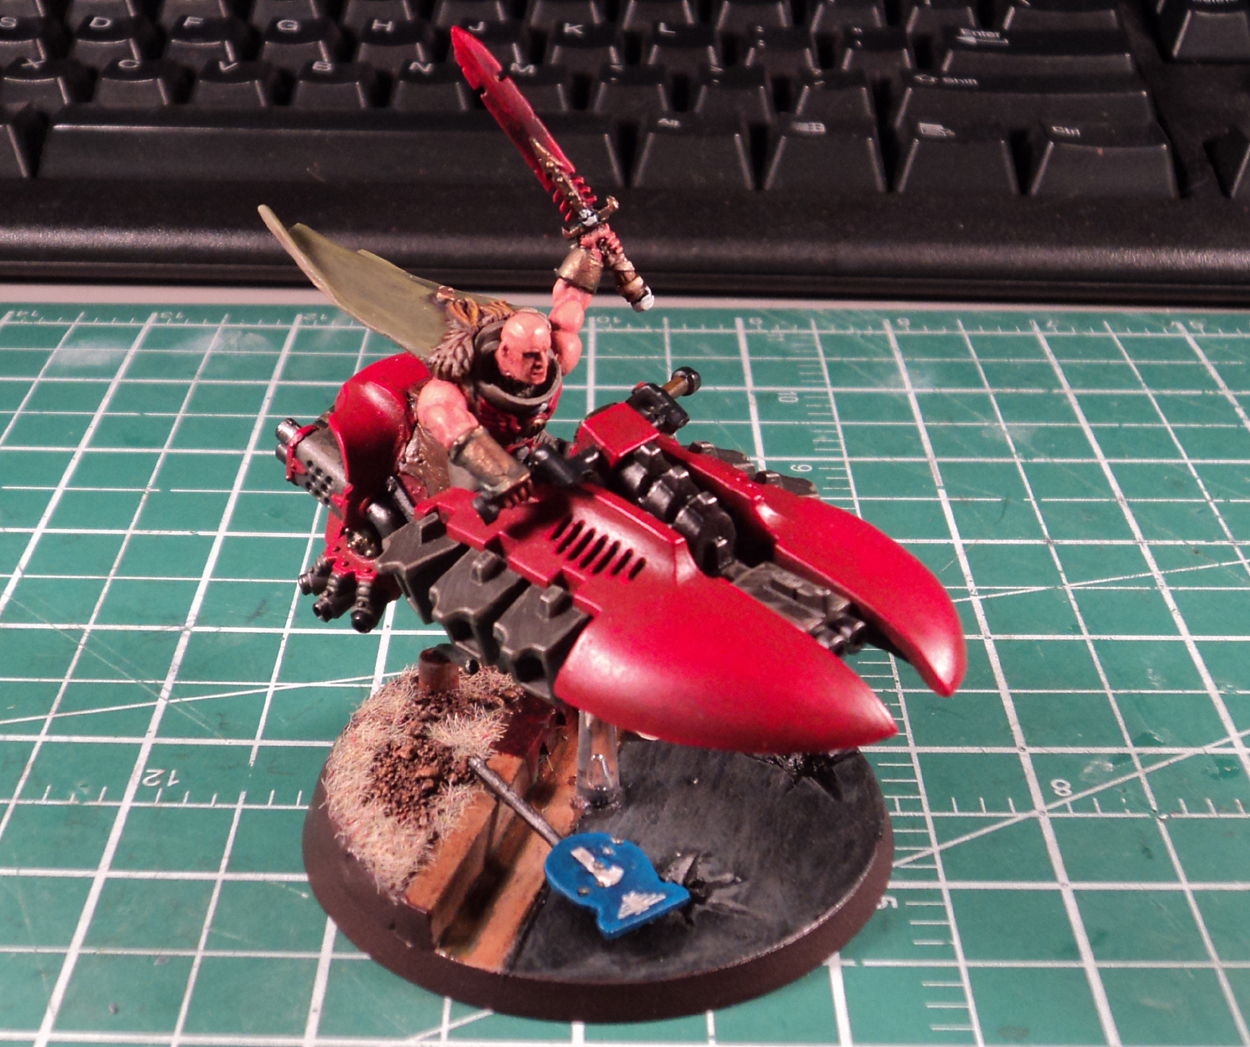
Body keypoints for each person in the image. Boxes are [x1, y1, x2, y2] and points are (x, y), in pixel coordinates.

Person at [415, 226, 619, 511]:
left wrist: (592, 253)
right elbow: (445, 418)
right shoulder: (461, 385)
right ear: (505, 352)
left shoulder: (557, 354)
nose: (541, 363)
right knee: (466, 511)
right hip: (474, 463)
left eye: (543, 352)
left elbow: (572, 300)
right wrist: (501, 474)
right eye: (530, 356)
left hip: (530, 443)